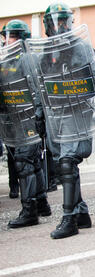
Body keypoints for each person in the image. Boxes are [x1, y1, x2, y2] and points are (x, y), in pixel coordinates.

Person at [30, 3, 95, 239]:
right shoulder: (44, 51)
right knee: (63, 163)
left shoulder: (80, 46)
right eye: (55, 21)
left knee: (68, 162)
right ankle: (81, 211)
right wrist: (39, 114)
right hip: (55, 113)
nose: (59, 25)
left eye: (63, 20)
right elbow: (41, 86)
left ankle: (69, 218)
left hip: (75, 111)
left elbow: (94, 82)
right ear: (47, 24)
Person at [0, 19, 52, 229]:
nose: (6, 40)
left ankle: (29, 210)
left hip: (28, 117)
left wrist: (38, 116)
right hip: (14, 118)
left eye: (11, 36)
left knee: (25, 162)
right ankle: (41, 204)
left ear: (21, 38)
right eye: (6, 36)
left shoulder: (27, 58)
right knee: (32, 162)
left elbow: (37, 89)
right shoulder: (7, 60)